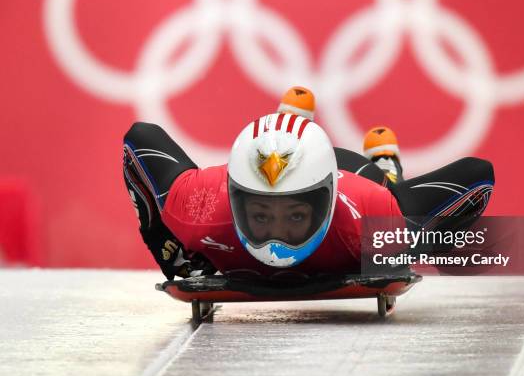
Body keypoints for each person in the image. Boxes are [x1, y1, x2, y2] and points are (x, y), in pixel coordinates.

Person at [122, 111, 494, 280]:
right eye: (261, 215)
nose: (276, 239)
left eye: (295, 216)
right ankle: (297, 117)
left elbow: (478, 178)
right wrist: (168, 250)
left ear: (325, 205)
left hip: (359, 176)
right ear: (234, 200)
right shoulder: (199, 205)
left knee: (391, 195)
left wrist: (410, 249)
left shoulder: (370, 220)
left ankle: (386, 168)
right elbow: (137, 137)